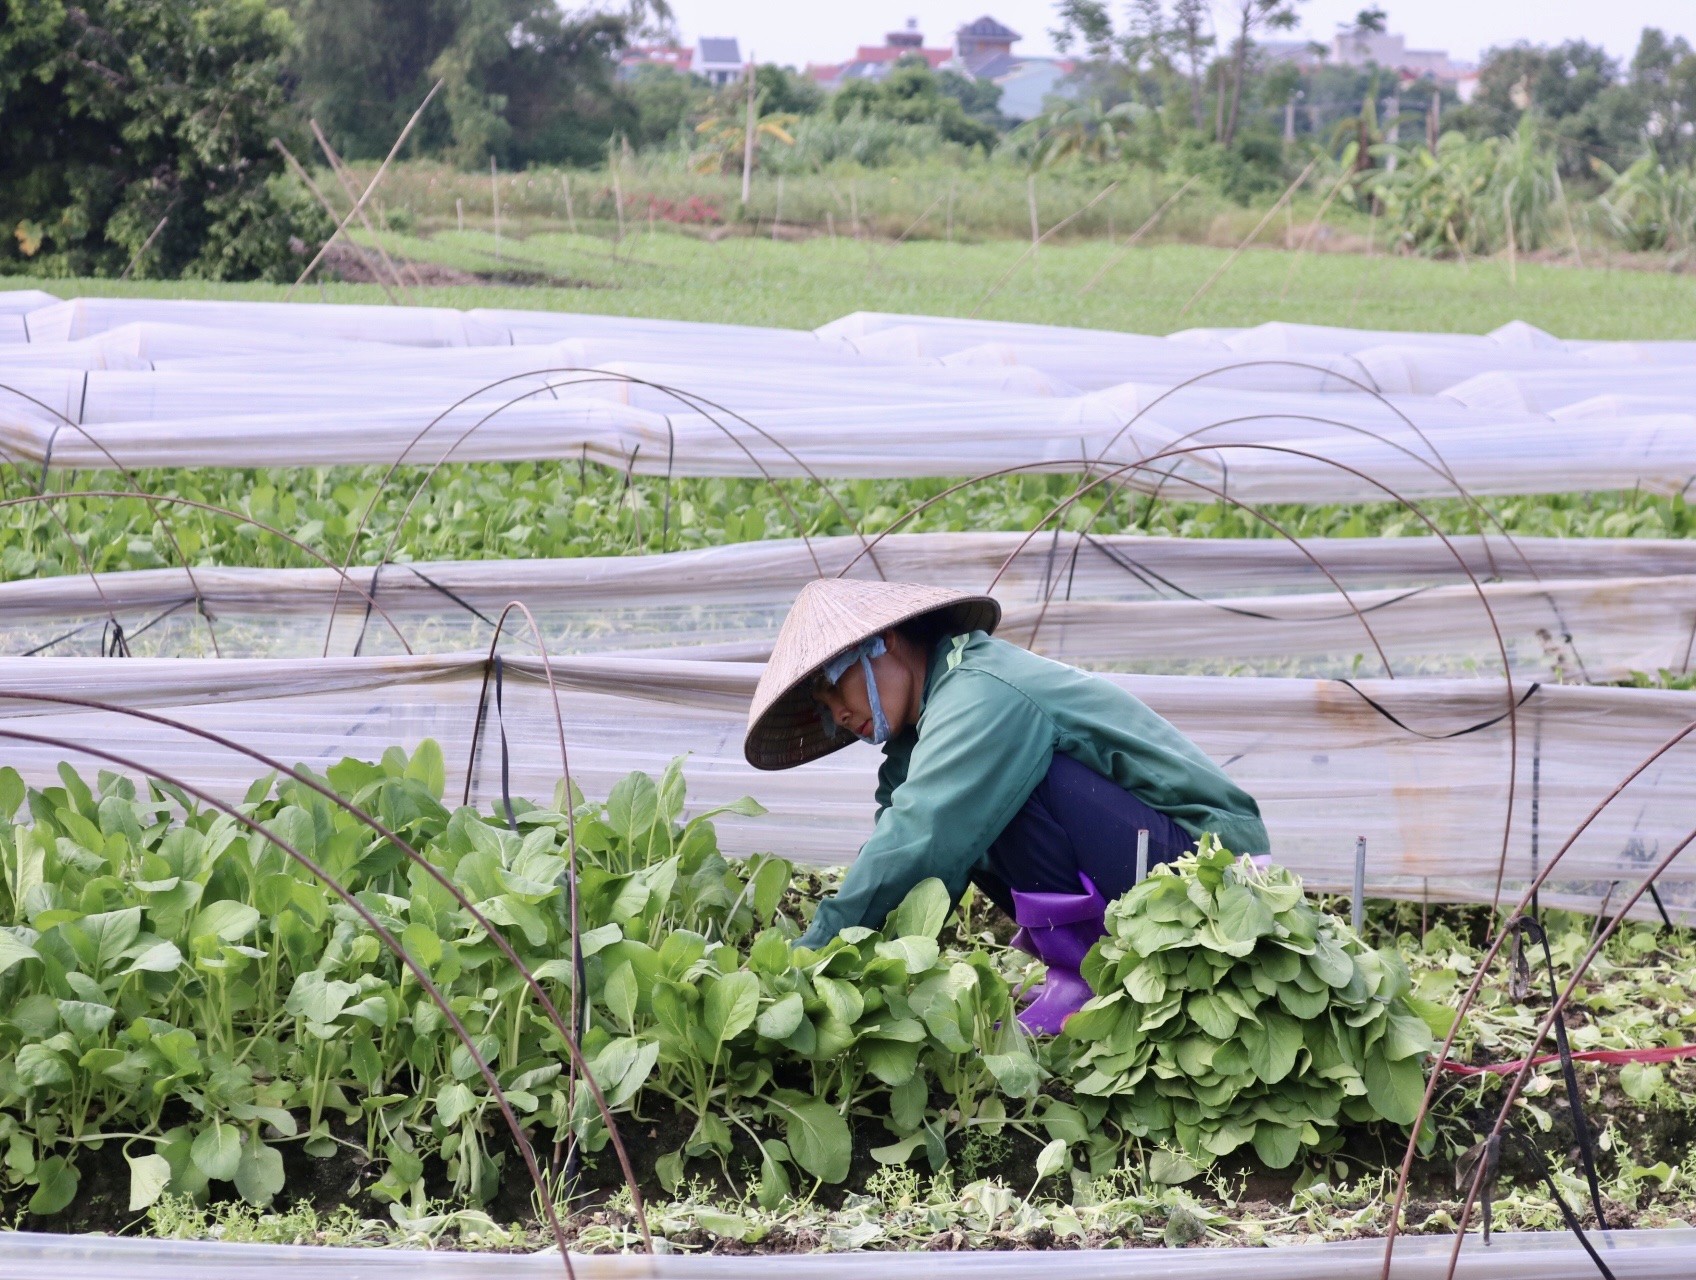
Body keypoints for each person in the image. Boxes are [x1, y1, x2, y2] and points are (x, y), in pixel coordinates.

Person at [743, 578, 1269, 1033]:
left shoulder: (980, 692)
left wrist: (814, 952)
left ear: (885, 643)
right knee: (965, 813)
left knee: (985, 795)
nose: (839, 714)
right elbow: (896, 843)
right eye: (825, 707)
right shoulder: (928, 719)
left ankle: (1084, 978)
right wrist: (868, 966)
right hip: (1150, 856)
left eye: (838, 687)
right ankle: (1090, 969)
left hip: (1212, 871)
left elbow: (920, 837)